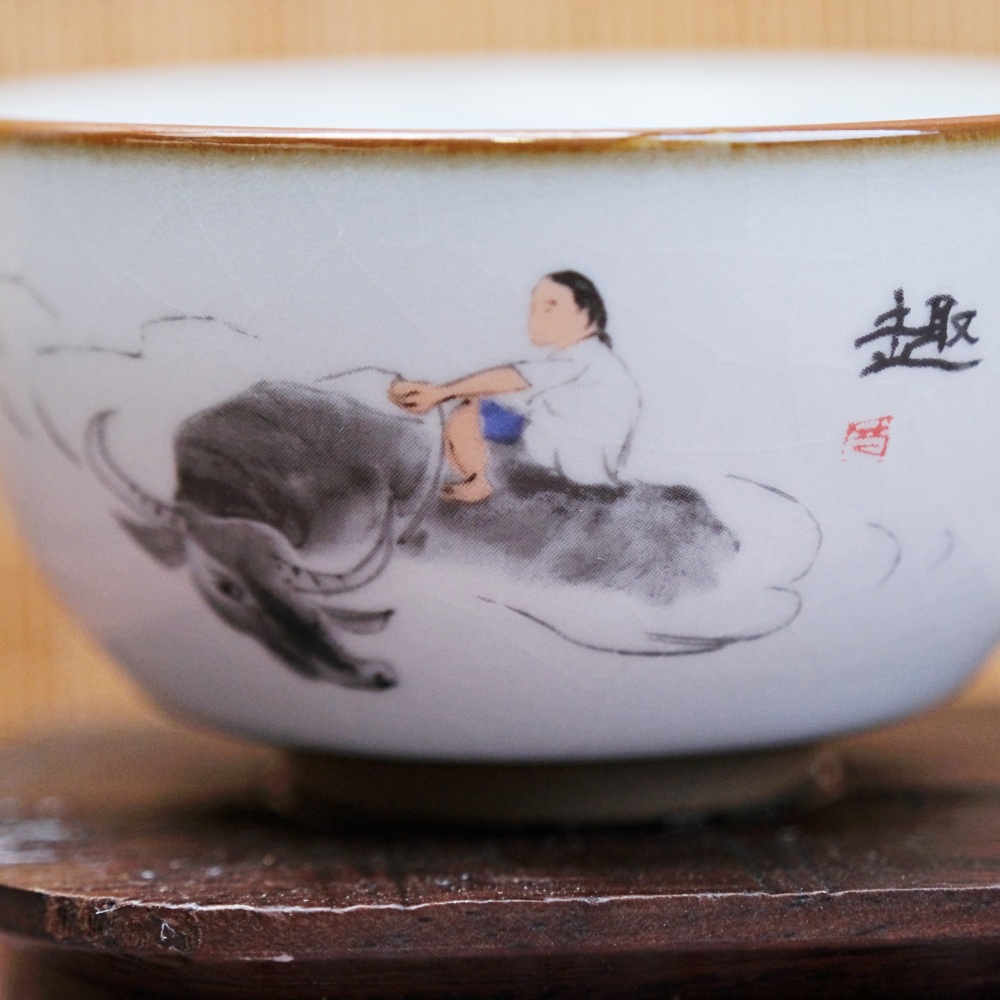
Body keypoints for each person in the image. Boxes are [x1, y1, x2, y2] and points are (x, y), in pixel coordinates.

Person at [388, 270, 640, 502]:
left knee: (470, 408)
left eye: (549, 307)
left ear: (586, 315)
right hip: (582, 461)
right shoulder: (597, 360)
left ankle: (479, 482)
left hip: (572, 464)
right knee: (490, 410)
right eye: (534, 308)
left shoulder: (585, 355)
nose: (537, 317)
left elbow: (515, 377)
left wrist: (441, 392)